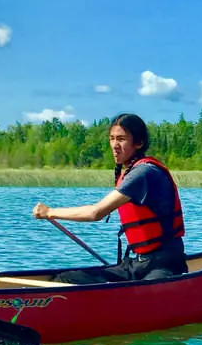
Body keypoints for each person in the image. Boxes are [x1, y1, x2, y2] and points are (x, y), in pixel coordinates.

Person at [32, 113, 186, 282]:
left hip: (165, 264)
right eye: (112, 138)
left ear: (139, 143)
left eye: (121, 139)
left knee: (143, 295)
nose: (114, 145)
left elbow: (95, 213)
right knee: (65, 279)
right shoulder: (131, 171)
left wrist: (50, 212)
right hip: (138, 263)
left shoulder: (144, 173)